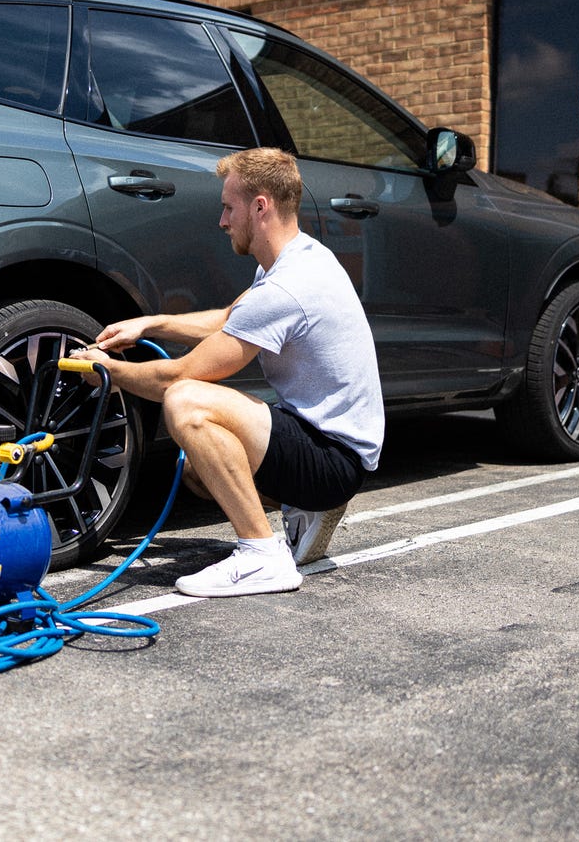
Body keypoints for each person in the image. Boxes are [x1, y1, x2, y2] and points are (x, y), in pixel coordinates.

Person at [73, 147, 384, 596]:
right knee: (200, 471)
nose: (222, 221)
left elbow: (176, 378)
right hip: (330, 442)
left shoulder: (287, 287)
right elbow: (228, 318)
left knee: (187, 401)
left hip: (332, 458)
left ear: (261, 206)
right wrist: (151, 323)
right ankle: (305, 506)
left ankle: (261, 556)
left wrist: (109, 372)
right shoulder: (301, 259)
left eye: (228, 207)